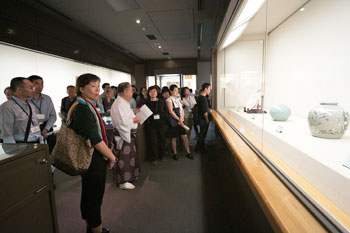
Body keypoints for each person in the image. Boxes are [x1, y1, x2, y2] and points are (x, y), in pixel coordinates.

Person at [70, 73, 116, 233]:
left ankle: (92, 227)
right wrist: (111, 156)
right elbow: (95, 139)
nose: (97, 89)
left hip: (92, 157)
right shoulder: (82, 109)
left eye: (98, 85)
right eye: (92, 86)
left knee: (90, 194)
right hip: (92, 159)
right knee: (94, 197)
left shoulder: (86, 105)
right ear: (81, 88)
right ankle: (96, 230)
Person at [111, 82, 141, 190]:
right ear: (125, 91)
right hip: (123, 136)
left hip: (128, 134)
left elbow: (125, 116)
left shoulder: (123, 102)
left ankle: (130, 176)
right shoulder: (119, 103)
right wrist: (134, 119)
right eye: (131, 90)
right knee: (124, 158)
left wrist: (134, 112)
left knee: (130, 157)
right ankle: (123, 180)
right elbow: (122, 122)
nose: (132, 92)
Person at [0, 77, 42, 143]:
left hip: (37, 142)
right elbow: (7, 135)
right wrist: (14, 152)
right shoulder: (7, 107)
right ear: (19, 89)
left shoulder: (31, 105)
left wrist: (41, 140)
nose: (33, 90)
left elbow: (35, 125)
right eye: (30, 88)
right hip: (21, 146)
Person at [28, 75, 57, 153]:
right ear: (30, 84)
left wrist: (45, 129)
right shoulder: (26, 100)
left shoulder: (47, 98)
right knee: (37, 151)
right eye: (37, 83)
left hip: (47, 127)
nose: (40, 86)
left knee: (53, 149)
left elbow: (53, 115)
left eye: (42, 84)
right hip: (33, 130)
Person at [166, 85, 193, 160]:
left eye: (177, 90)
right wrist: (179, 119)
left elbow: (182, 110)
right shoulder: (169, 100)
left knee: (184, 136)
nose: (177, 92)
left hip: (180, 120)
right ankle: (175, 153)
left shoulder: (178, 99)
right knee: (174, 138)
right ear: (171, 91)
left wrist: (182, 118)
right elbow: (171, 111)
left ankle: (188, 152)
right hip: (174, 121)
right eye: (175, 90)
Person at [145, 86, 168, 165]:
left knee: (162, 140)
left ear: (157, 92)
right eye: (151, 91)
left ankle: (162, 155)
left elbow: (166, 112)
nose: (153, 92)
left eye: (154, 91)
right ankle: (154, 157)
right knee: (153, 141)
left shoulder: (161, 101)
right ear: (148, 93)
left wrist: (165, 122)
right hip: (151, 125)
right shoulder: (147, 102)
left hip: (161, 124)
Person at [195, 83, 211, 153]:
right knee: (203, 134)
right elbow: (205, 111)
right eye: (209, 89)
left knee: (202, 134)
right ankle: (201, 148)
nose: (210, 90)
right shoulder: (203, 98)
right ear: (206, 89)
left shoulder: (199, 97)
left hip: (200, 118)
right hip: (203, 119)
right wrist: (207, 119)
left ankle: (198, 147)